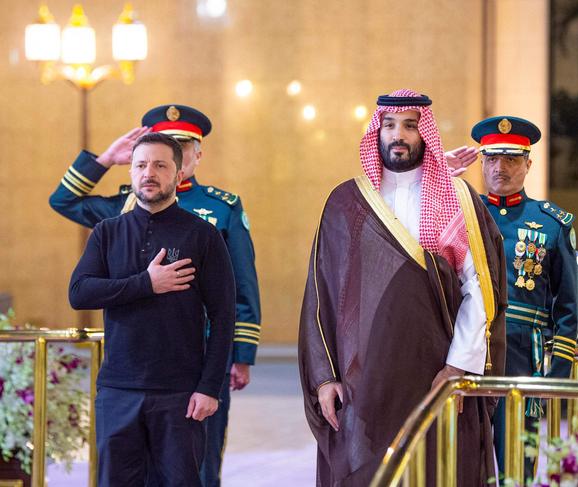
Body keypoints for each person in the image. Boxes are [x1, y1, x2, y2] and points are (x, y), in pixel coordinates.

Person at [298, 89, 508, 486]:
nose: (399, 135)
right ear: (376, 131)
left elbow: (479, 290)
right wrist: (325, 378)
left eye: (410, 125)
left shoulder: (458, 199)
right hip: (364, 379)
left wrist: (458, 367)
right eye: (390, 125)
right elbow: (321, 293)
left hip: (436, 372)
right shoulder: (347, 202)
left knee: (438, 469)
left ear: (424, 134)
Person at [49, 104, 260, 485]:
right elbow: (63, 203)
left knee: (199, 470)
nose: (150, 173)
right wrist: (103, 160)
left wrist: (233, 363)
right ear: (131, 169)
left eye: (163, 163)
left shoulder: (215, 216)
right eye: (140, 164)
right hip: (121, 384)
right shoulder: (114, 220)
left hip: (187, 378)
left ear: (187, 161)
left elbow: (235, 297)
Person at [472, 116, 578, 479]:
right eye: (492, 158)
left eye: (512, 159)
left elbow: (567, 308)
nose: (500, 168)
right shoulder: (464, 215)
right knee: (464, 459)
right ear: (482, 162)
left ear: (528, 164)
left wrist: (556, 374)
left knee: (517, 464)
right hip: (468, 351)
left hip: (523, 356)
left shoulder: (551, 223)